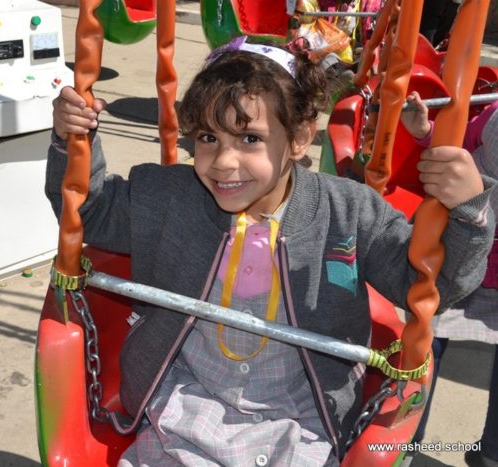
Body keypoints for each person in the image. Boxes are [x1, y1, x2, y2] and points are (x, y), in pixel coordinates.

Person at [46, 36, 496, 466]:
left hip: (302, 419)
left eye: (250, 139)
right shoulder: (169, 196)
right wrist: (73, 140)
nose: (224, 162)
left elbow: (429, 285)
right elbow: (89, 211)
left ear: (299, 138)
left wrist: (469, 212)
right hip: (186, 406)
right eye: (208, 138)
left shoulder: (348, 212)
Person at [401, 92, 498, 467]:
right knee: (427, 338)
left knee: (429, 338)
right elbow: (455, 151)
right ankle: (408, 439)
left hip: (470, 248)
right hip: (466, 250)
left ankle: (487, 453)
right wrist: (425, 132)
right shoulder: (493, 115)